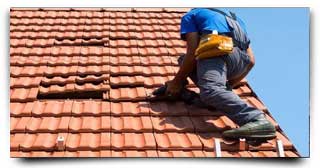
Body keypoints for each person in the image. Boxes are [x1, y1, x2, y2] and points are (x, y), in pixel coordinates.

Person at [164, 8, 276, 140]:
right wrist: (228, 86)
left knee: (210, 90)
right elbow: (251, 61)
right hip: (240, 62)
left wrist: (176, 82)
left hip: (218, 51)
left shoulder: (191, 15)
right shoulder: (235, 18)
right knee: (183, 61)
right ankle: (214, 98)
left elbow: (192, 51)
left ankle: (256, 119)